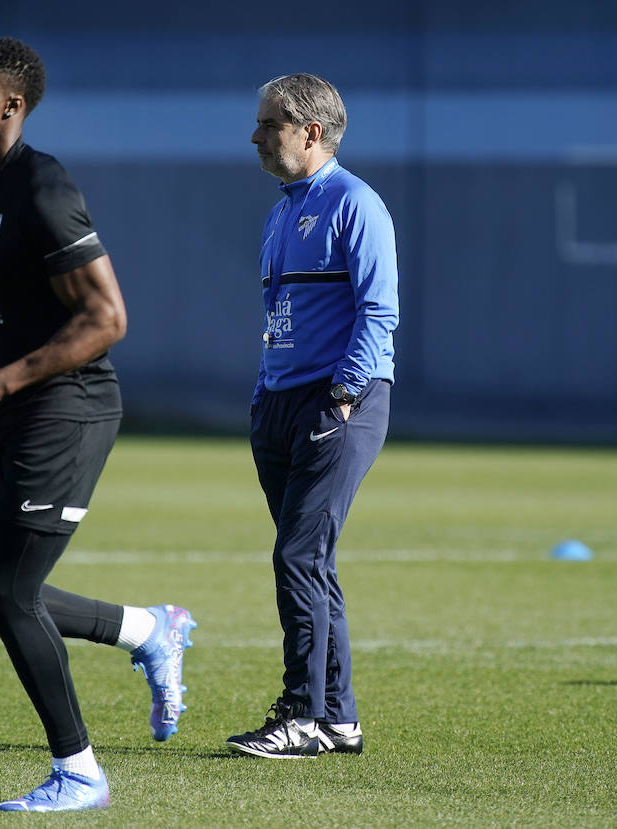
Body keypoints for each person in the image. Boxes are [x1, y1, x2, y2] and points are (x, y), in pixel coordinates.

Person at [0, 37, 196, 812]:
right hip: (8, 406)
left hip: (68, 408)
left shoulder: (43, 187)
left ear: (10, 106)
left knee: (12, 592)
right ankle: (150, 628)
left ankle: (80, 771)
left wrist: (4, 377)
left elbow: (108, 317)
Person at [225, 73, 398, 759]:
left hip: (336, 401)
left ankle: (304, 711)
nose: (256, 136)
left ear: (311, 132)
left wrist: (344, 394)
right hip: (282, 402)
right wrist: (267, 395)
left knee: (297, 554)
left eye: (269, 125)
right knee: (312, 562)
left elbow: (378, 310)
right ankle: (338, 717)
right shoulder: (282, 210)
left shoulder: (356, 203)